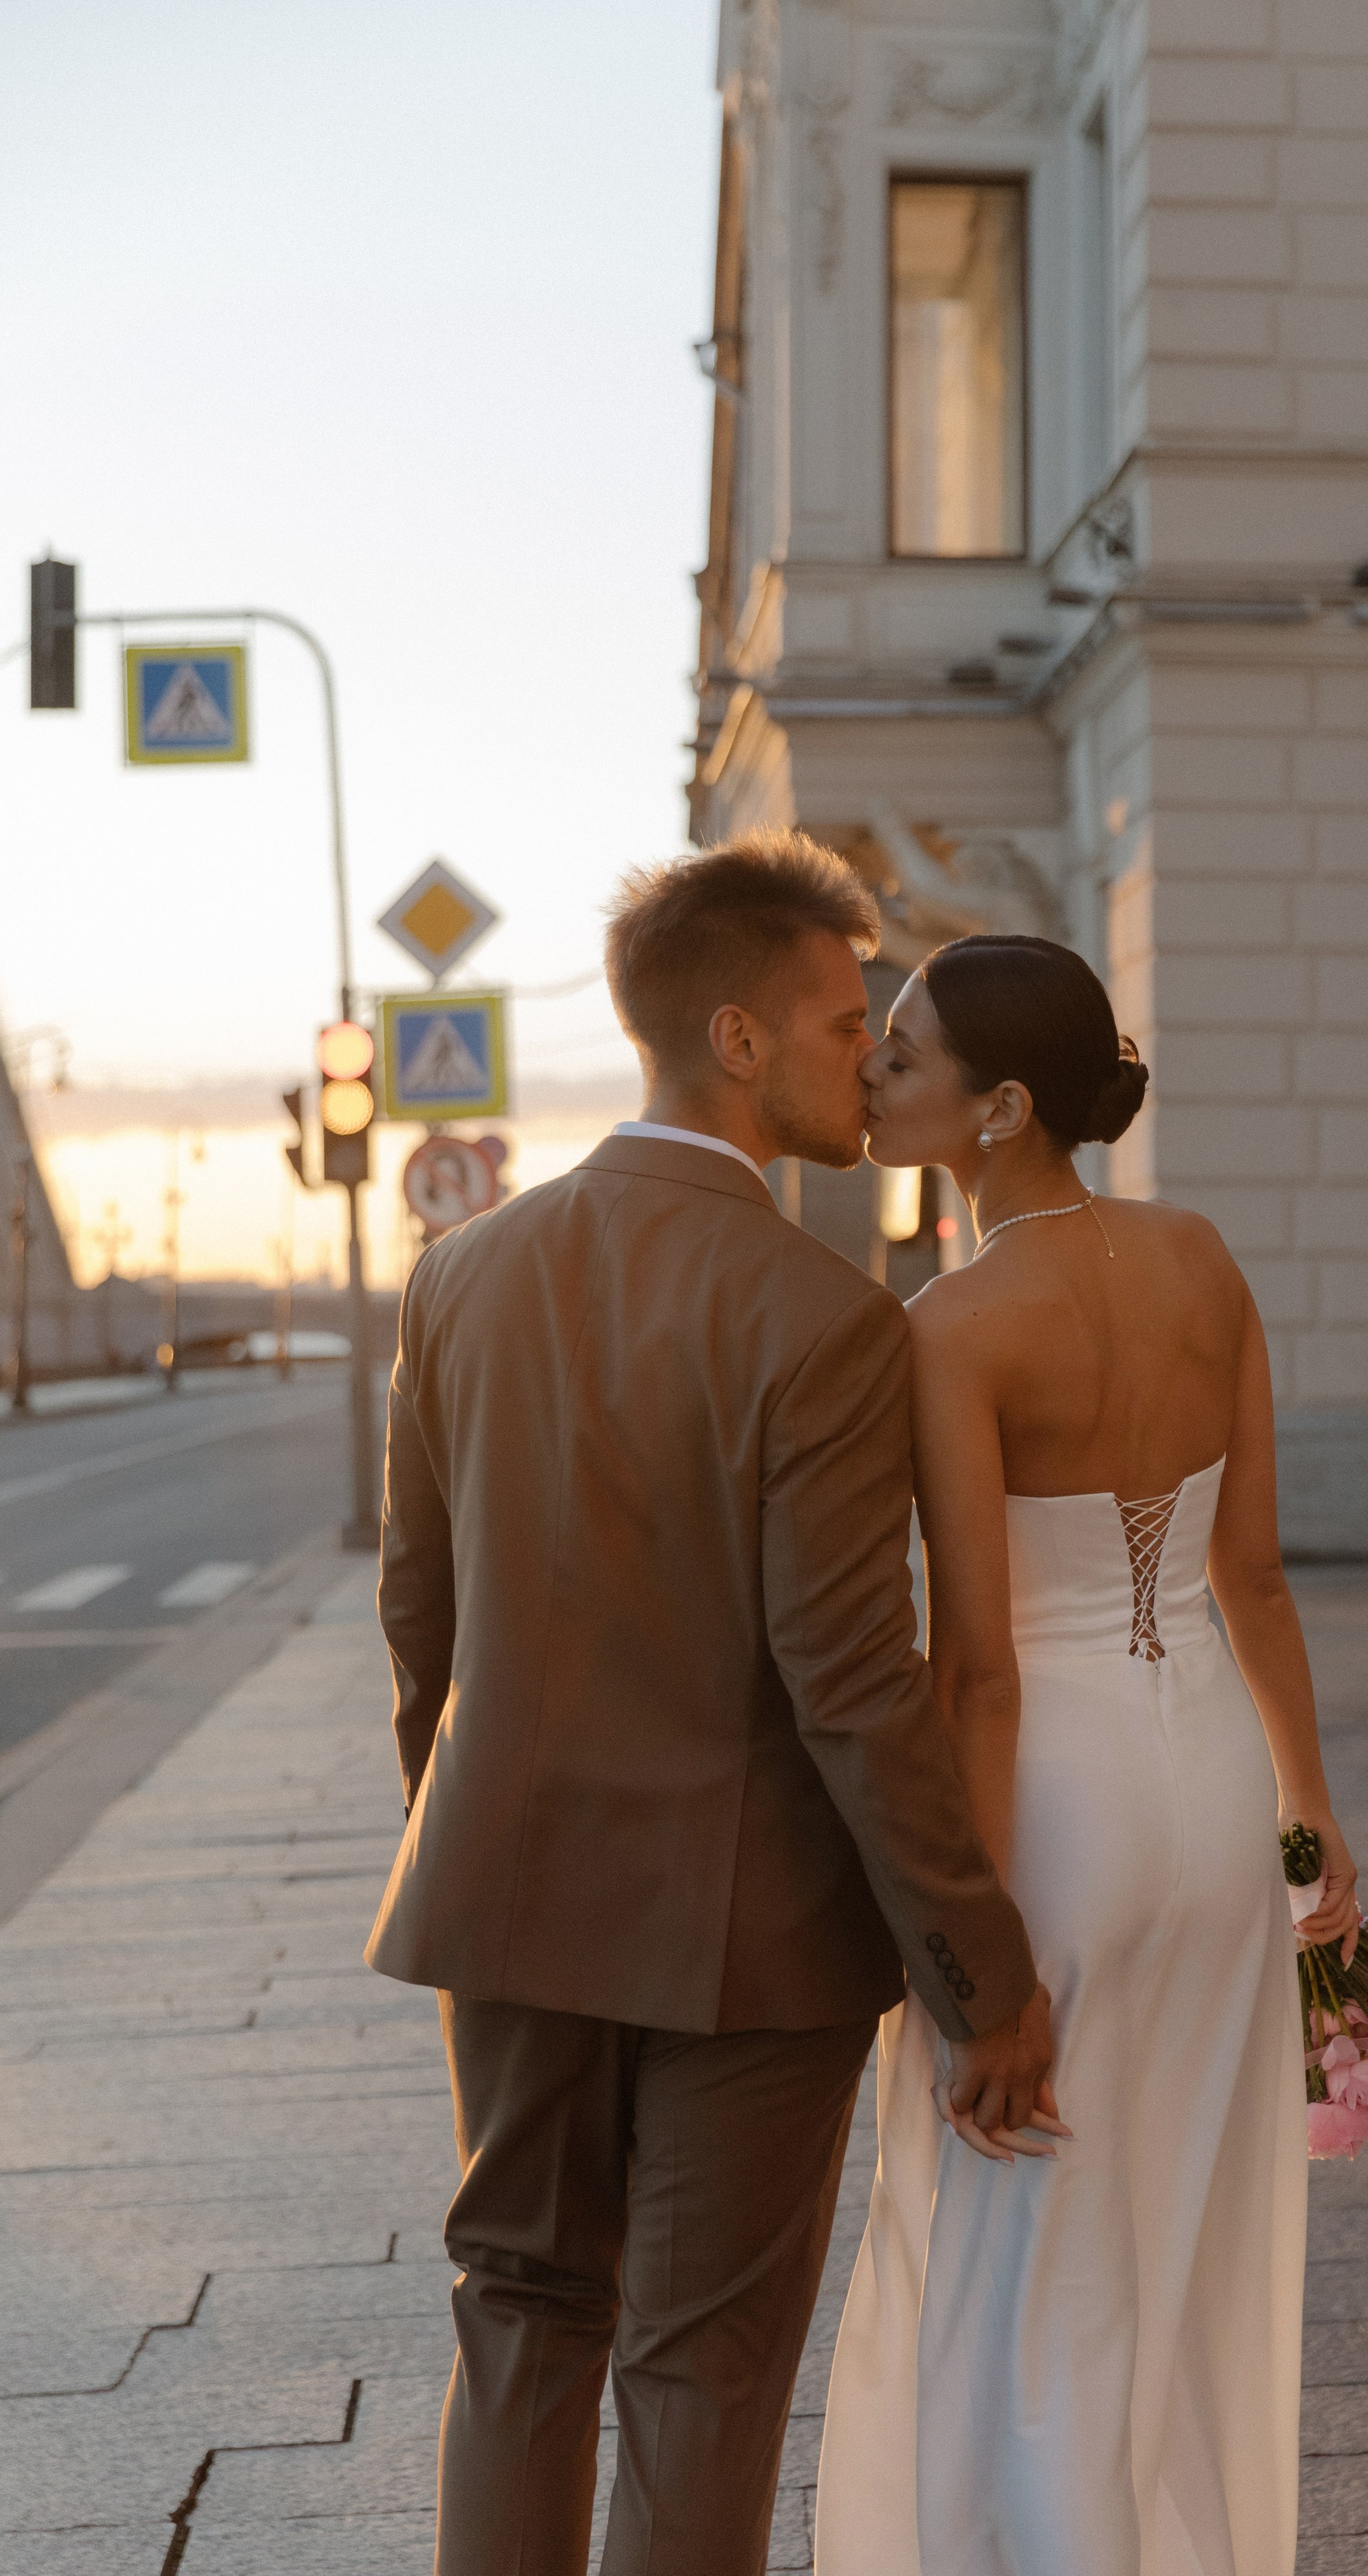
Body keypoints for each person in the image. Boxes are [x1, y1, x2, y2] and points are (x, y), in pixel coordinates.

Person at [364, 835, 1057, 2576]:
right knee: (701, 2367)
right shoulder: (822, 1317)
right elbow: (851, 1682)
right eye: (842, 1024)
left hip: (506, 1903)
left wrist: (473, 1849)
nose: (867, 1060)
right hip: (749, 1952)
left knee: (516, 2318)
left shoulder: (458, 1278)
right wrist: (977, 1970)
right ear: (736, 1041)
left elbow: (418, 1630)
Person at [816, 934, 1359, 2576]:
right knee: (1175, 2221)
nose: (866, 1073)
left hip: (1054, 1806)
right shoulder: (1199, 1257)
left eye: (896, 1056)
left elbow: (979, 1673)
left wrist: (972, 1966)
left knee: (1022, 2225)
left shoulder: (954, 1325)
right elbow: (1246, 1578)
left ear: (997, 1108)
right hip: (1206, 1800)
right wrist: (1307, 1826)